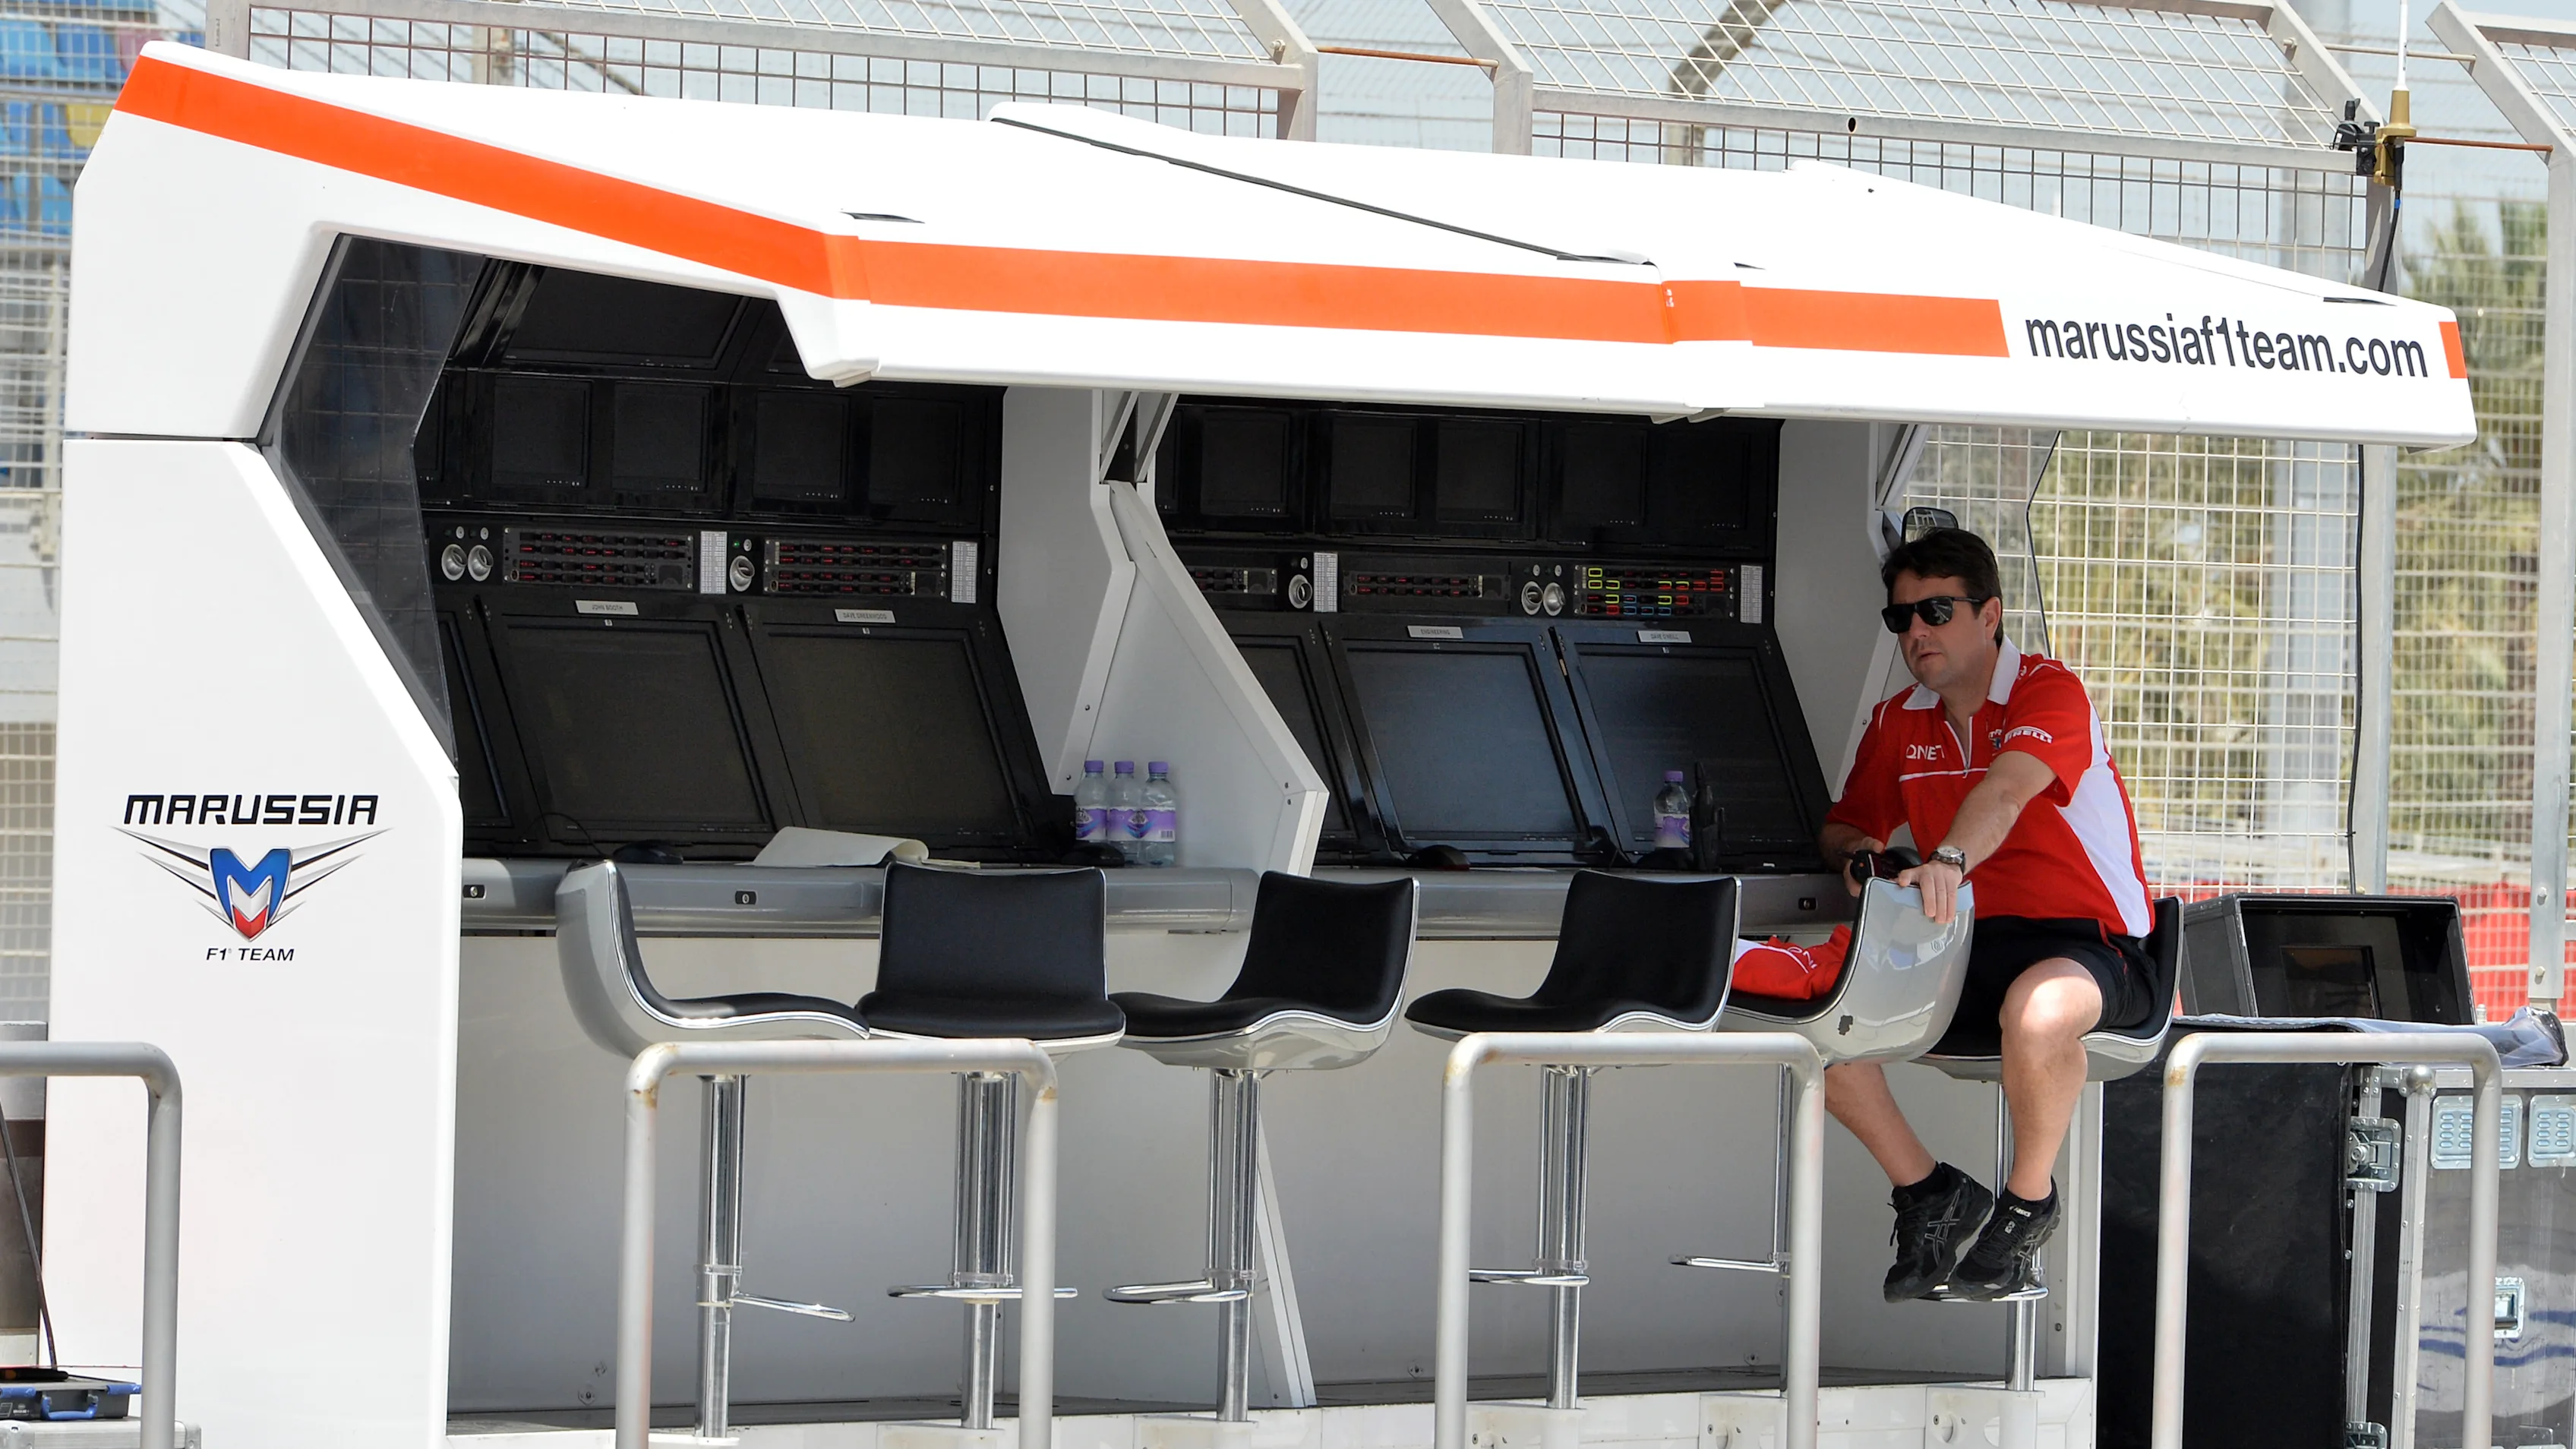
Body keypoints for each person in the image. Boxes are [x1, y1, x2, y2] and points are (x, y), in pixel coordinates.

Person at [1820, 528, 2155, 1302]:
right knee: (1822, 1023)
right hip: (1967, 946)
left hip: (2094, 946)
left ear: (1990, 613)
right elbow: (1841, 823)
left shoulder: (2048, 690)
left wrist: (1945, 859)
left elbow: (2003, 792)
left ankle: (2027, 1203)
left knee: (2035, 1015)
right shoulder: (1895, 720)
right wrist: (1859, 852)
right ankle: (1927, 1190)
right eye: (1898, 619)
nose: (1915, 634)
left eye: (1935, 611)